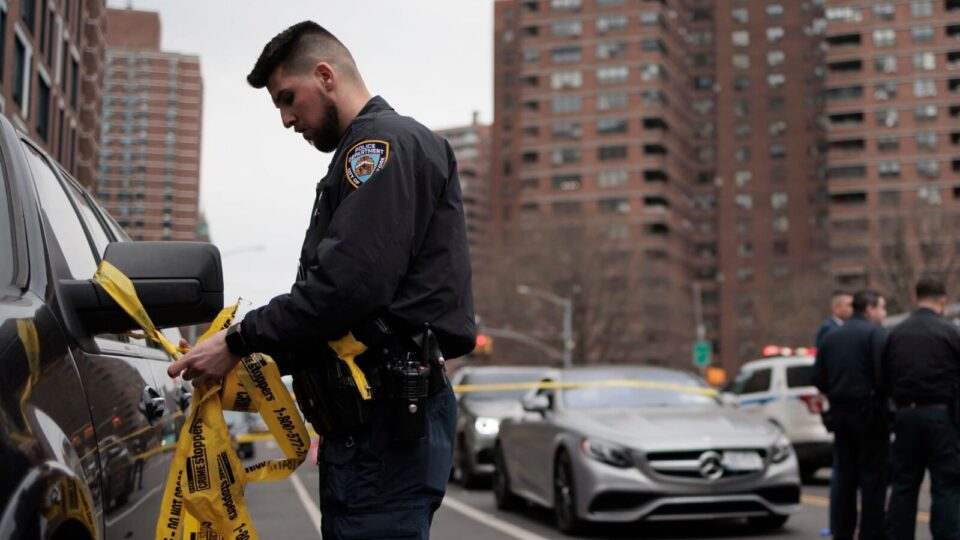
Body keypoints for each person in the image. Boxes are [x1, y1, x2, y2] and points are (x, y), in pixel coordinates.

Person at [167, 21, 475, 539]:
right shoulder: (376, 150)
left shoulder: (378, 146)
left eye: (289, 98)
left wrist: (239, 339)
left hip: (382, 423)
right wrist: (233, 358)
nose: (287, 119)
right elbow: (348, 314)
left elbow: (347, 289)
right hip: (377, 420)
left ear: (326, 75)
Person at [882, 277, 960, 540]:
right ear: (943, 300)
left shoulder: (895, 334)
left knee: (904, 484)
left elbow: (884, 379)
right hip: (941, 416)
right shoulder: (950, 333)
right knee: (946, 484)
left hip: (905, 415)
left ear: (915, 299)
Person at [812, 289, 888, 540]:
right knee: (872, 479)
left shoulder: (831, 338)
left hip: (841, 415)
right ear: (868, 309)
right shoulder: (875, 335)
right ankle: (871, 532)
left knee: (844, 476)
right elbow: (884, 376)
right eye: (881, 308)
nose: (884, 314)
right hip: (870, 415)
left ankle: (842, 531)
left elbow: (818, 379)